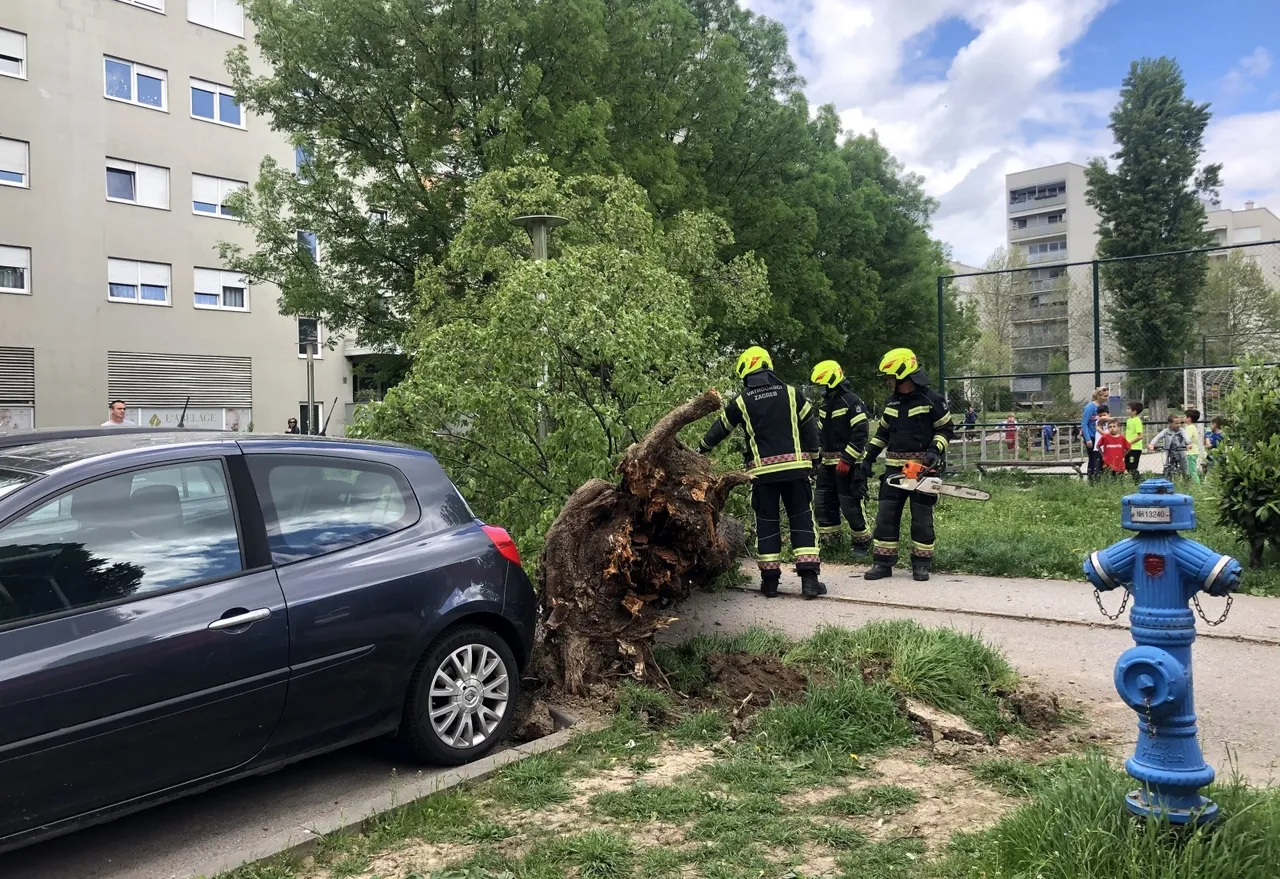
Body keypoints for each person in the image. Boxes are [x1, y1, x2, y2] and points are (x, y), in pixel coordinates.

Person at [700, 347, 824, 599]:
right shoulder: (792, 393)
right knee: (802, 520)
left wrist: (699, 450)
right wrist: (815, 456)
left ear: (745, 372)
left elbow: (719, 429)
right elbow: (810, 427)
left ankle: (769, 583)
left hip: (763, 476)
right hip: (795, 471)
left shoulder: (742, 401)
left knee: (767, 524)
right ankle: (809, 581)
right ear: (767, 366)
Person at [862, 348, 954, 582]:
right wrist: (868, 458)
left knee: (921, 518)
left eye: (889, 377)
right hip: (894, 471)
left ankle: (921, 563)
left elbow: (945, 429)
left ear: (902, 375)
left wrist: (935, 450)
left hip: (922, 471)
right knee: (885, 516)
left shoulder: (931, 400)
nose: (887, 381)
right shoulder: (891, 402)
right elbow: (882, 433)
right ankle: (882, 563)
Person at [810, 359, 871, 554]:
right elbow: (820, 435)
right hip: (827, 466)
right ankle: (831, 543)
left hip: (848, 465)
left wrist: (847, 459)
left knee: (850, 505)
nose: (820, 389)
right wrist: (815, 460)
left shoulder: (851, 401)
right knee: (823, 504)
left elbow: (861, 431)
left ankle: (862, 543)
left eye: (822, 385)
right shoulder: (825, 405)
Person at [1082, 386, 1109, 482]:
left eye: (1107, 391)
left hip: (1100, 436)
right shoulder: (1090, 406)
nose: (1106, 393)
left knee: (1101, 458)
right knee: (1093, 458)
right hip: (1092, 436)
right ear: (1098, 395)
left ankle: (1100, 478)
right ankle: (1091, 479)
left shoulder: (1103, 407)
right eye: (1104, 391)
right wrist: (1088, 439)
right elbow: (1084, 423)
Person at [1150, 415, 1189, 480]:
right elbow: (1158, 437)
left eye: (1180, 423)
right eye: (1176, 423)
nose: (1178, 425)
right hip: (1170, 452)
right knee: (1167, 467)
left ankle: (1187, 482)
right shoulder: (1166, 431)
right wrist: (1152, 444)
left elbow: (1186, 437)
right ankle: (1167, 480)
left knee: (1184, 469)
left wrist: (1189, 444)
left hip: (1180, 452)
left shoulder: (1181, 431)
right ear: (1170, 423)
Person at [1124, 401, 1145, 480]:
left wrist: (1129, 442)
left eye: (1128, 409)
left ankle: (1138, 481)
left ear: (1134, 411)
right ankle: (1136, 480)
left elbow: (1140, 436)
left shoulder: (1137, 421)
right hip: (1128, 448)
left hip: (1135, 448)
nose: (1127, 410)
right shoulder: (1129, 420)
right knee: (1127, 466)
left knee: (1132, 467)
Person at [1183, 408, 1203, 484]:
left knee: (1192, 471)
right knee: (1191, 470)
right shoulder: (1193, 427)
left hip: (1191, 453)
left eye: (1185, 416)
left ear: (1189, 419)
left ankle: (1198, 487)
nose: (1183, 418)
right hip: (1193, 452)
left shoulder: (1189, 428)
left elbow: (1186, 439)